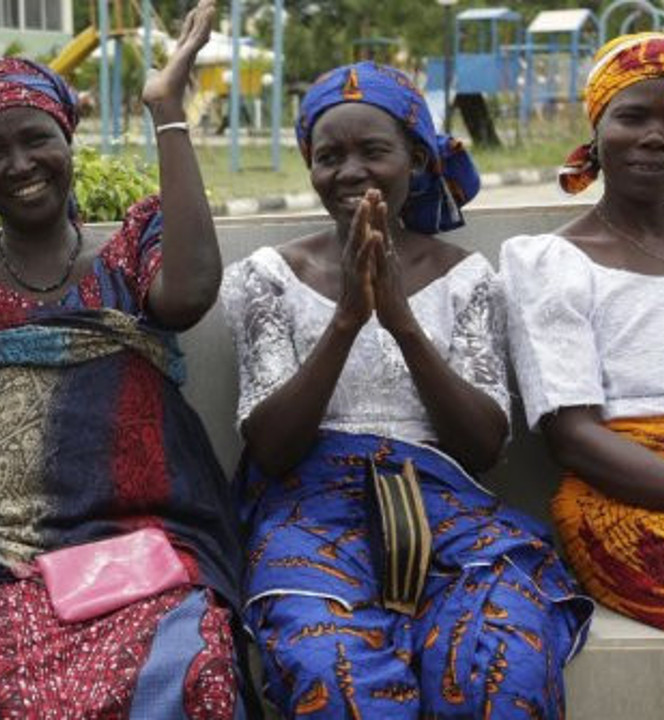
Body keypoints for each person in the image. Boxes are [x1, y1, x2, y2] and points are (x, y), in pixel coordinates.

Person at [0, 1, 246, 715]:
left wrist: (167, 111)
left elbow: (190, 293)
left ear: (68, 138)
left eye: (36, 138)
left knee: (193, 666)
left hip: (136, 544)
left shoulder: (129, 256)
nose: (19, 164)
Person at [221, 62, 591, 718]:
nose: (350, 171)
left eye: (374, 151)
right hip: (309, 512)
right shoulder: (270, 277)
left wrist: (402, 322)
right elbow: (273, 449)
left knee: (501, 658)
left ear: (416, 161)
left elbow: (481, 448)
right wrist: (347, 320)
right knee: (333, 668)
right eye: (329, 156)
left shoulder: (465, 277)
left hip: (445, 507)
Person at [502, 32, 664, 631]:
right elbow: (572, 437)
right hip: (620, 503)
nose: (655, 135)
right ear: (596, 135)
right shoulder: (552, 263)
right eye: (633, 116)